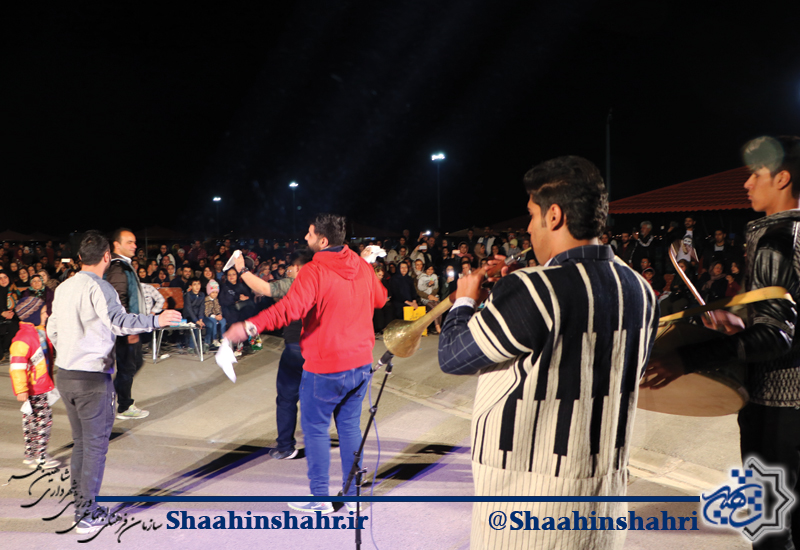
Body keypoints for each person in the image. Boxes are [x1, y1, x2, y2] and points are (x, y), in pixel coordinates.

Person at [438, 156, 659, 549]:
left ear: (554, 215)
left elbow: (453, 355)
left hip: (528, 510)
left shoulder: (533, 289)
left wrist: (465, 301)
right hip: (603, 505)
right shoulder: (639, 288)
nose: (527, 228)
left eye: (531, 215)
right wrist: (509, 297)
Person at [644, 135, 800, 549]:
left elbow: (777, 335)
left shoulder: (776, 238)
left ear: (782, 178)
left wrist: (688, 358)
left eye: (755, 174)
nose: (747, 184)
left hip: (780, 407)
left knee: (772, 531)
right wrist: (743, 321)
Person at [224, 213, 387, 514]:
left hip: (326, 367)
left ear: (323, 241)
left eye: (310, 234)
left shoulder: (315, 270)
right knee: (350, 428)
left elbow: (289, 309)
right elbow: (380, 300)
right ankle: (353, 497)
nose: (305, 238)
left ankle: (321, 498)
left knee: (316, 430)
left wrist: (249, 326)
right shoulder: (362, 266)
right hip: (361, 365)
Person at [47, 230, 180, 534]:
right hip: (92, 378)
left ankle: (82, 506)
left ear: (79, 257)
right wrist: (155, 320)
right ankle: (86, 514)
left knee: (82, 445)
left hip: (66, 374)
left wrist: (71, 350)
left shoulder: (64, 288)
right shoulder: (101, 287)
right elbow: (119, 322)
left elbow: (52, 329)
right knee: (94, 448)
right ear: (107, 256)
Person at [233, 249, 313, 460]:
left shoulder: (295, 283)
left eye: (290, 268)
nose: (288, 272)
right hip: (319, 350)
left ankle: (286, 447)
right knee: (320, 400)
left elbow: (265, 288)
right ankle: (323, 446)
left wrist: (241, 268)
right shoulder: (324, 283)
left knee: (287, 399)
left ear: (297, 267)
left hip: (295, 348)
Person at [9, 303, 60, 469]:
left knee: (32, 421)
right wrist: (21, 389)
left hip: (38, 385)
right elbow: (17, 367)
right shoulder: (24, 338)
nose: (46, 315)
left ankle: (30, 455)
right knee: (43, 421)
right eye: (43, 312)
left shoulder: (37, 333)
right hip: (35, 388)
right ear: (33, 315)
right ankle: (41, 456)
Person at [105, 228, 149, 420]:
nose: (134, 246)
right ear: (117, 244)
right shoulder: (118, 267)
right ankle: (123, 405)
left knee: (133, 363)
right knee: (128, 365)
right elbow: (118, 300)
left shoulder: (123, 265)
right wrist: (129, 329)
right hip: (124, 327)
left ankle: (115, 398)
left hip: (128, 325)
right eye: (129, 242)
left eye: (134, 242)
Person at [203, 280, 225, 348]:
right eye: (213, 292)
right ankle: (214, 339)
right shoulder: (206, 300)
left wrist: (219, 314)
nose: (215, 294)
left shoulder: (216, 300)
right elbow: (206, 311)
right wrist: (214, 316)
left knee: (223, 320)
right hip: (209, 316)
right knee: (214, 322)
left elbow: (218, 308)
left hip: (216, 316)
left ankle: (222, 337)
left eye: (216, 292)